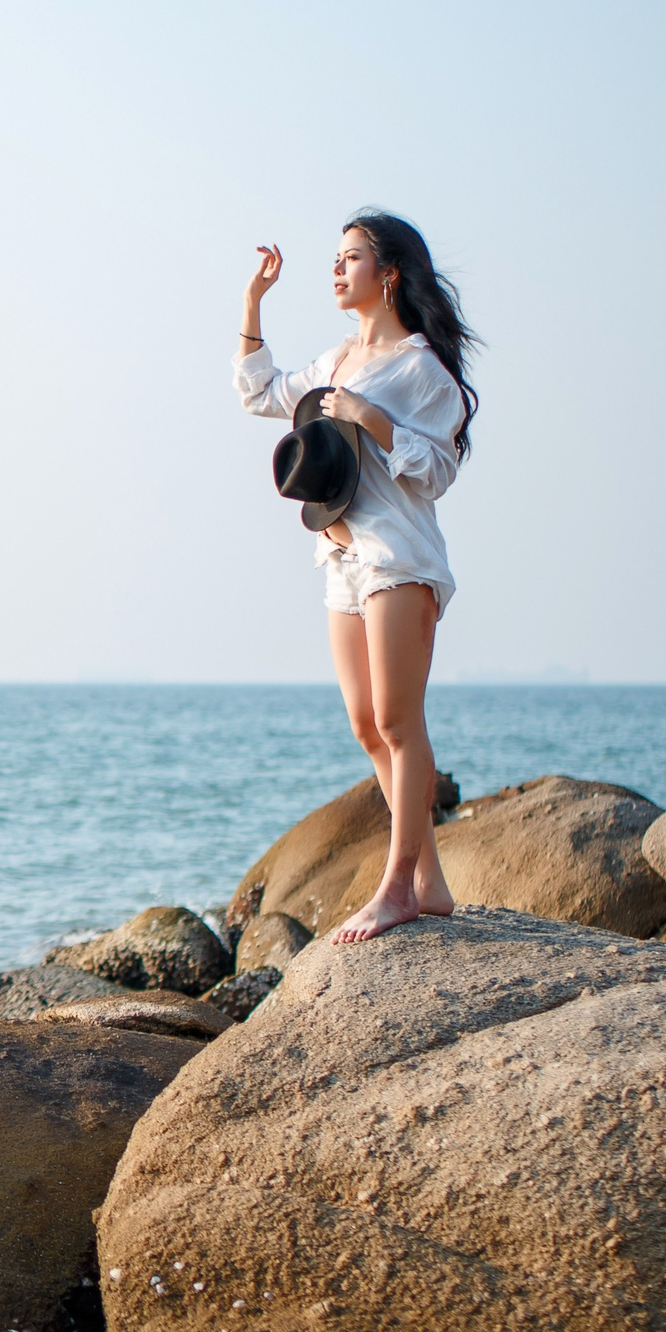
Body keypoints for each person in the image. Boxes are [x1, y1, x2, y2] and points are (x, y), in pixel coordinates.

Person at [235, 209, 480, 942]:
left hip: (399, 557)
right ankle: (429, 879)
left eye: (350, 258)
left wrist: (372, 418)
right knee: (367, 724)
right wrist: (253, 303)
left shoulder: (422, 367)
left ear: (390, 272)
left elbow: (436, 471)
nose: (337, 269)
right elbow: (261, 393)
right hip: (342, 555)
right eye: (335, 259)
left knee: (402, 722)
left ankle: (398, 886)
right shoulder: (338, 357)